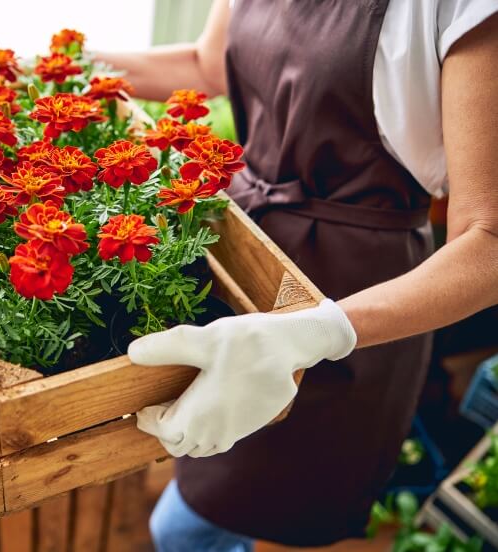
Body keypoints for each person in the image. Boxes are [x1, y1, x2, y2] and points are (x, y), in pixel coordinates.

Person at [98, 1, 498, 550]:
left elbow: (488, 242)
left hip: (357, 300)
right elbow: (204, 63)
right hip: (243, 251)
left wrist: (317, 331)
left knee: (265, 515)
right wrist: (68, 66)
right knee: (193, 504)